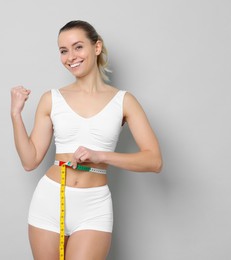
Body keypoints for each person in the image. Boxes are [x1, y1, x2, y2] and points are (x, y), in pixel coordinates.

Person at [11, 20, 162, 260]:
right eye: (63, 51)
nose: (71, 56)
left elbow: (154, 161)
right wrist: (16, 114)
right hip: (49, 199)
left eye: (78, 47)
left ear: (97, 47)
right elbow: (30, 161)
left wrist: (100, 156)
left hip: (93, 205)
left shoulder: (124, 101)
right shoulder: (52, 99)